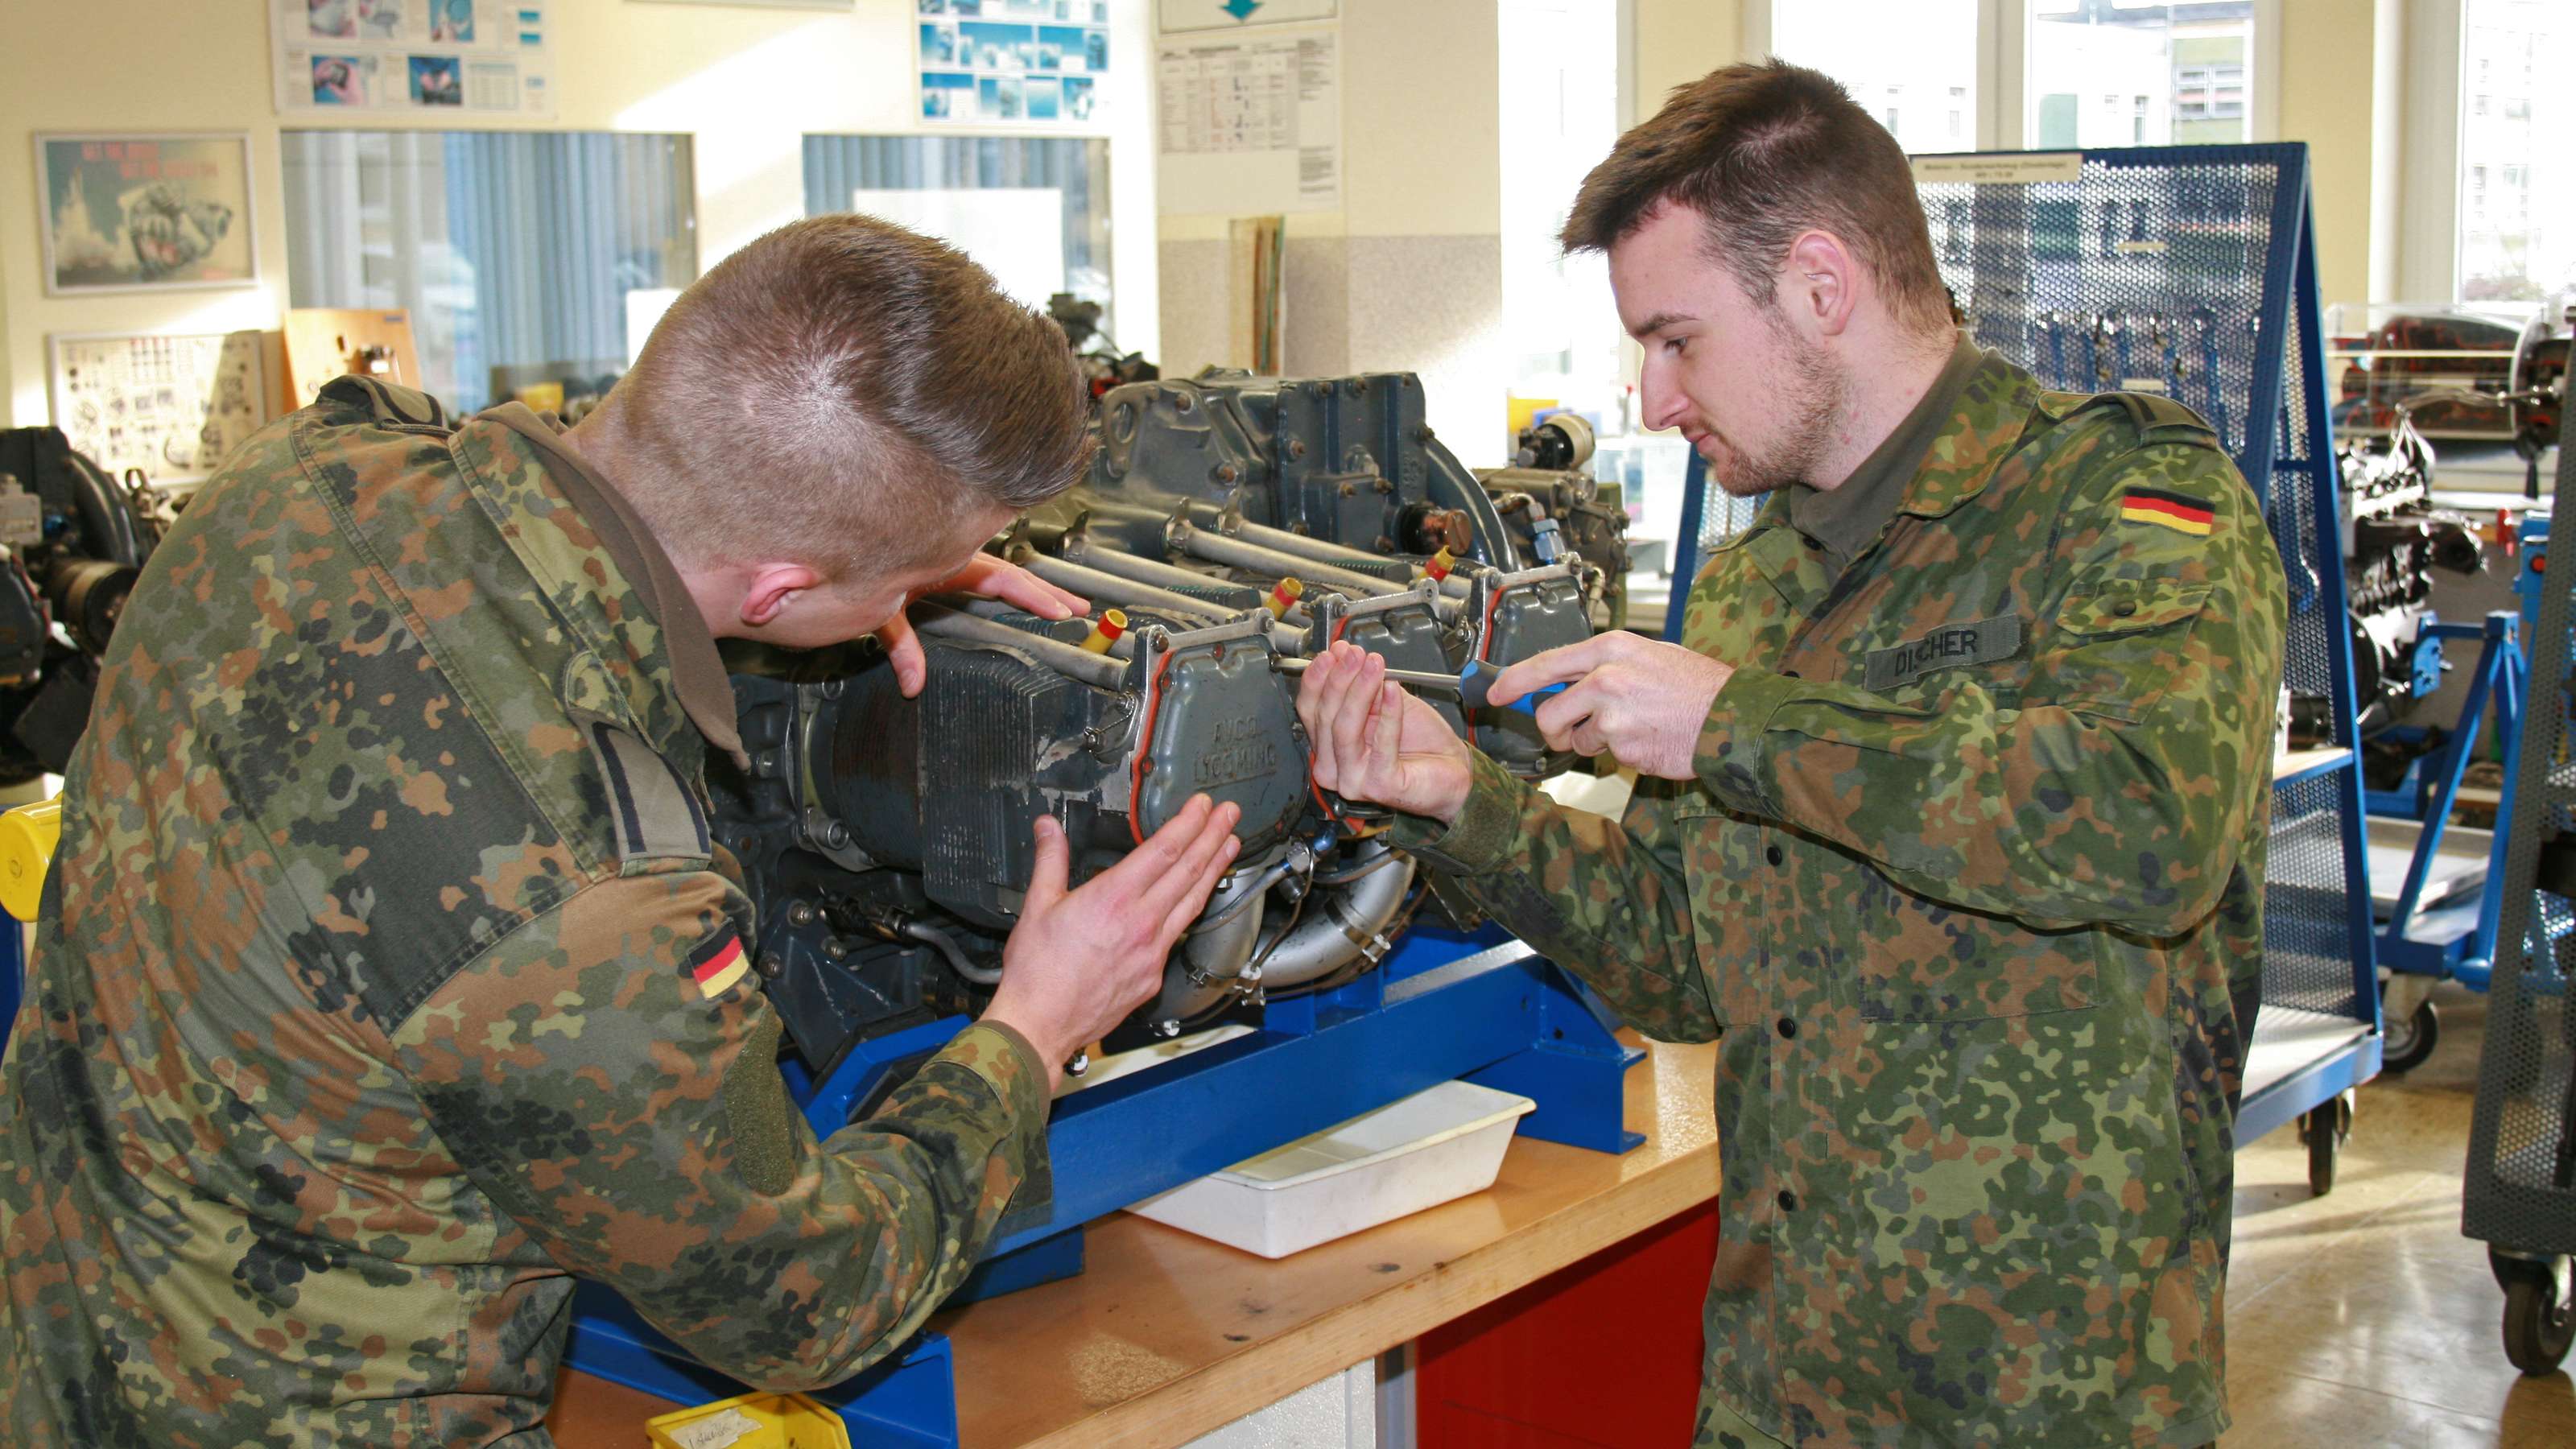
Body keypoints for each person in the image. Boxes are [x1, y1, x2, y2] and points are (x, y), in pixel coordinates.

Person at [0, 214, 1244, 1445]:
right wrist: (1033, 1028)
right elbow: (806, 1308)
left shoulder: (292, 477)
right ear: (779, 588)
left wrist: (875, 565)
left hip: (60, 1352)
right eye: (918, 583)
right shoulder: (590, 896)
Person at [1298, 61, 2284, 1448]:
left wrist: (1732, 724)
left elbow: (2144, 829)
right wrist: (1462, 800)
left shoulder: (2121, 504)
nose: (1650, 400)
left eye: (1677, 340)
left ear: (1822, 286)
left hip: (2050, 1401)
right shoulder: (1763, 587)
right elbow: (1687, 964)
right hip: (1786, 1385)